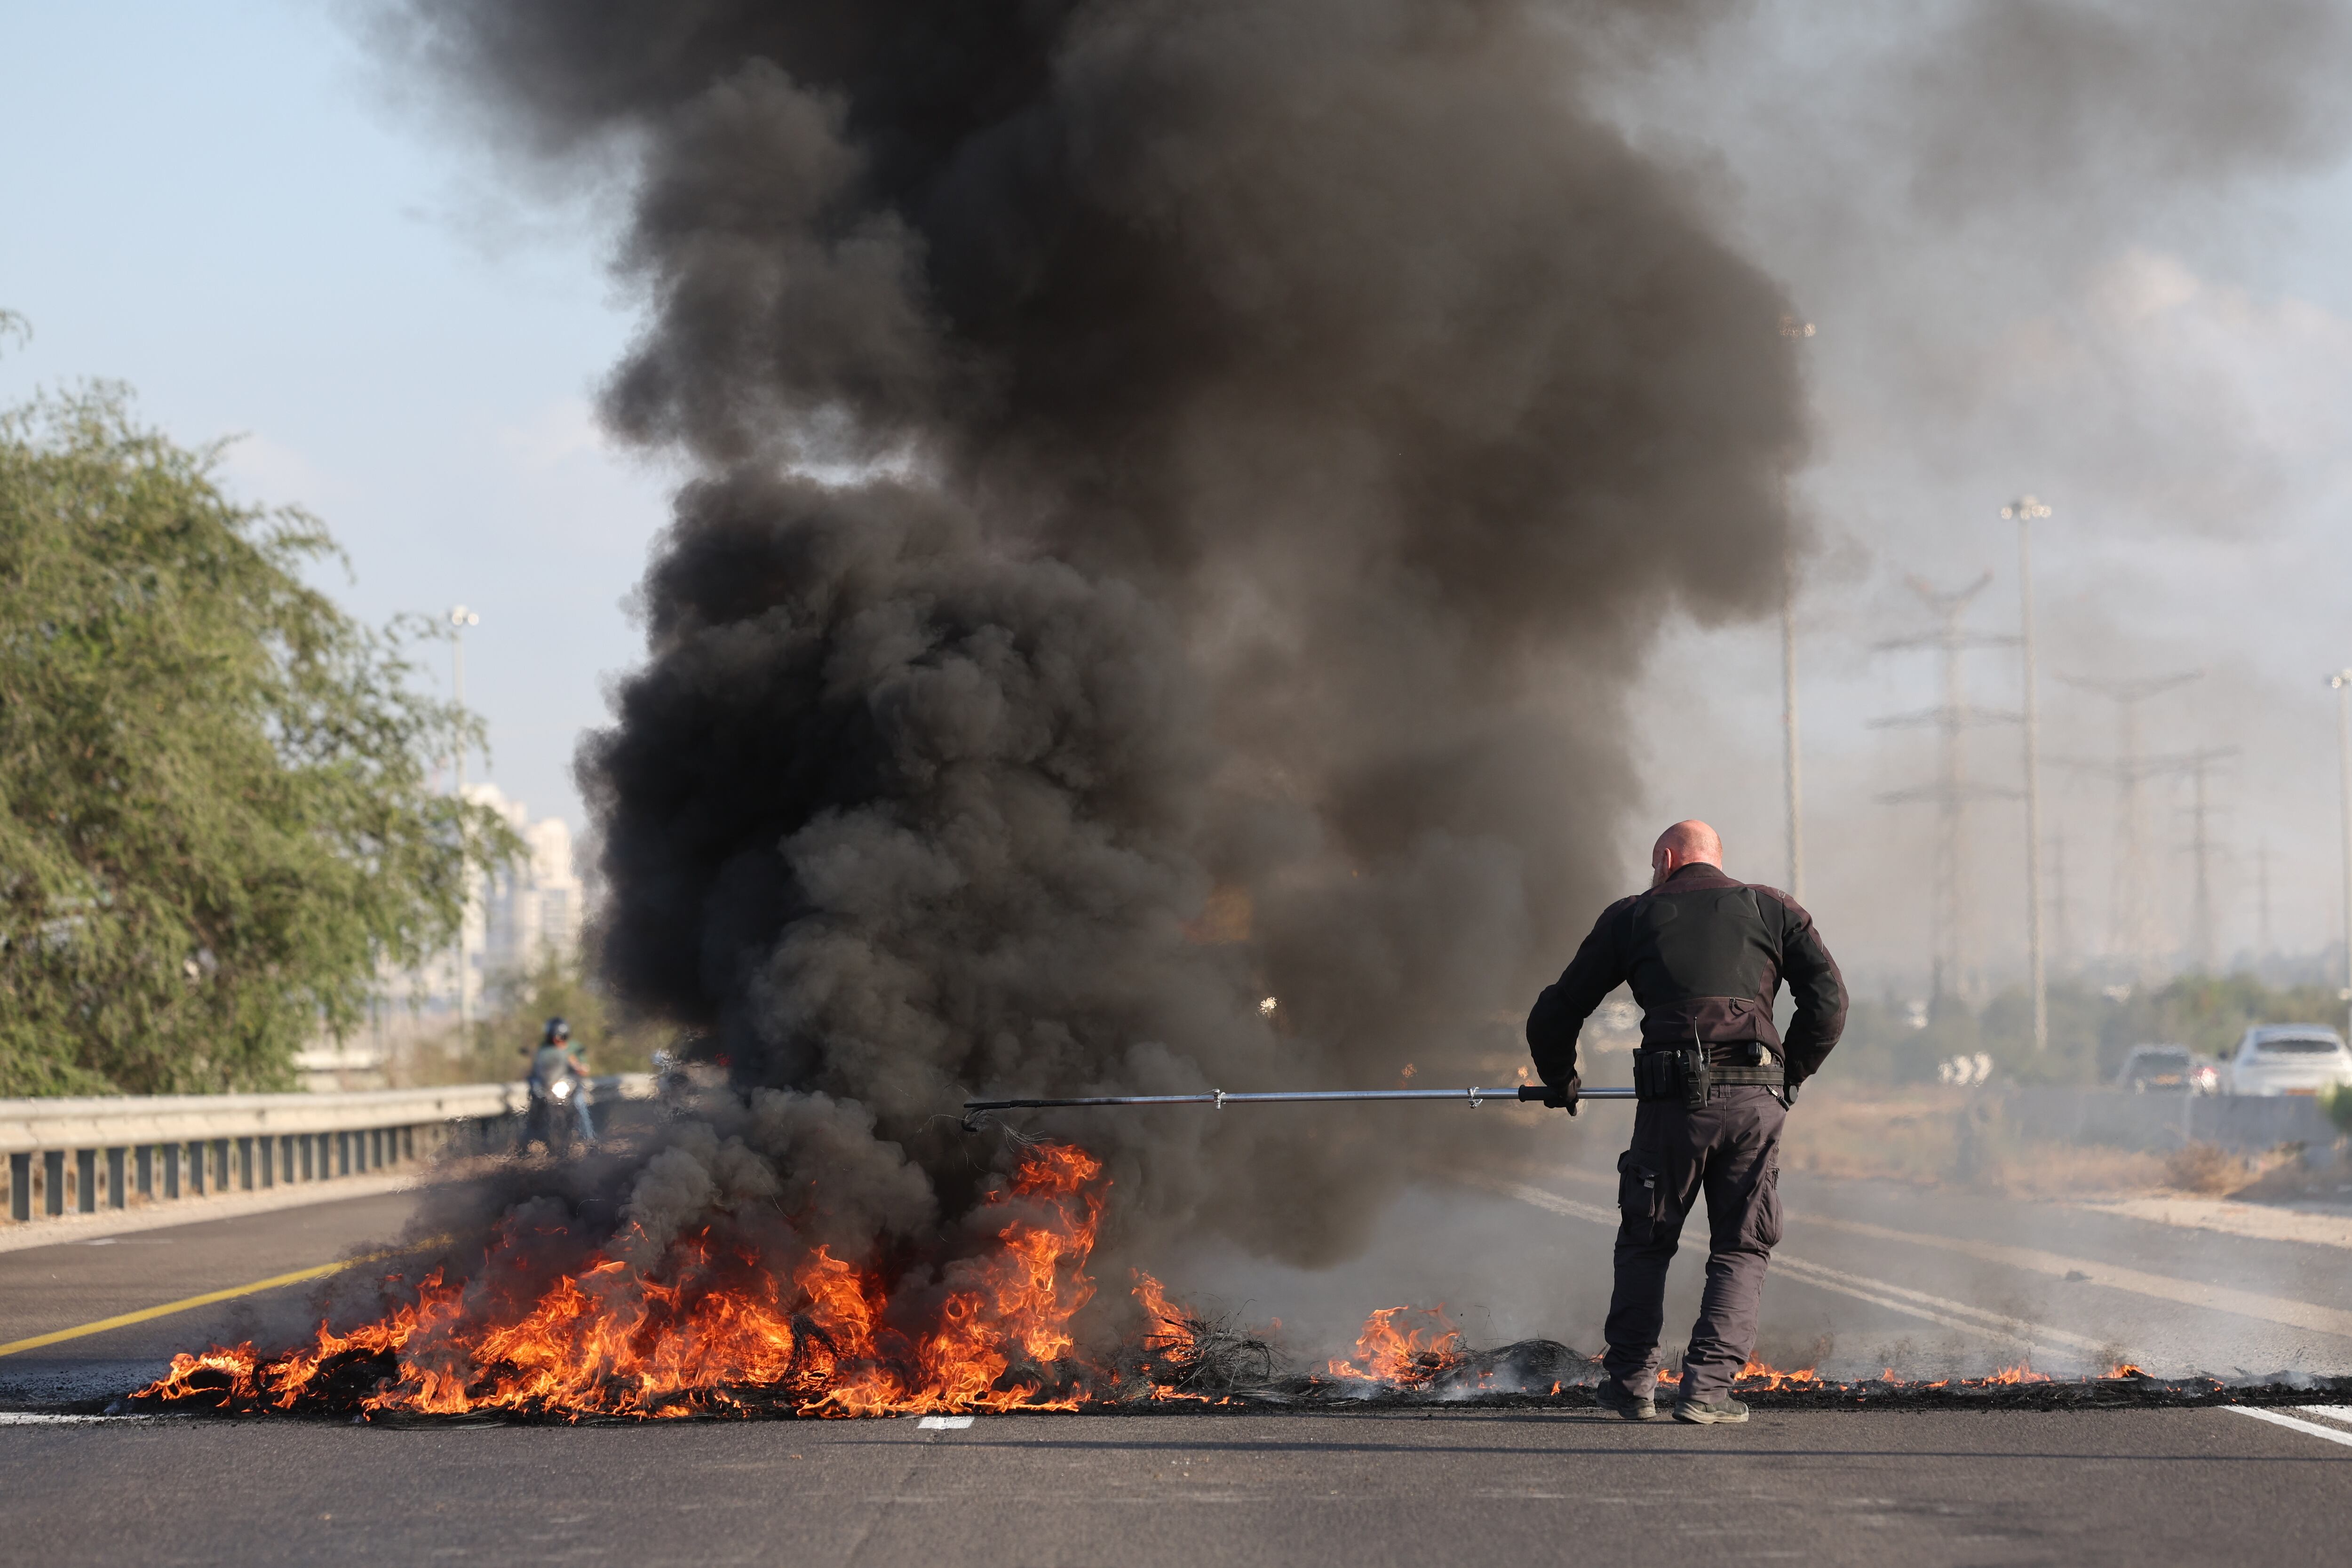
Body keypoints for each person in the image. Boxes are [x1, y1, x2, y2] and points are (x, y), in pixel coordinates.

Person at [1525, 820, 1845, 1425]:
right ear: (1715, 860)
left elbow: (1557, 1008)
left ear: (1666, 859)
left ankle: (1629, 1385)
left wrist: (1558, 1079)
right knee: (1741, 1247)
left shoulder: (1633, 915)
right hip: (1755, 1103)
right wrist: (1789, 1074)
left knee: (1646, 1240)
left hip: (1672, 1104)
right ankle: (1706, 1390)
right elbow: (1828, 1003)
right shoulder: (1772, 908)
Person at [524, 1017, 596, 1151]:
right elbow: (536, 1068)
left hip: (569, 1085)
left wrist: (576, 1064)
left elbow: (585, 1070)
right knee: (534, 1105)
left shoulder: (575, 1047)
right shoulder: (543, 1049)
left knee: (580, 1103)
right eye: (555, 1037)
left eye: (561, 1037)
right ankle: (526, 1141)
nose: (558, 1040)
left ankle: (589, 1139)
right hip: (548, 1086)